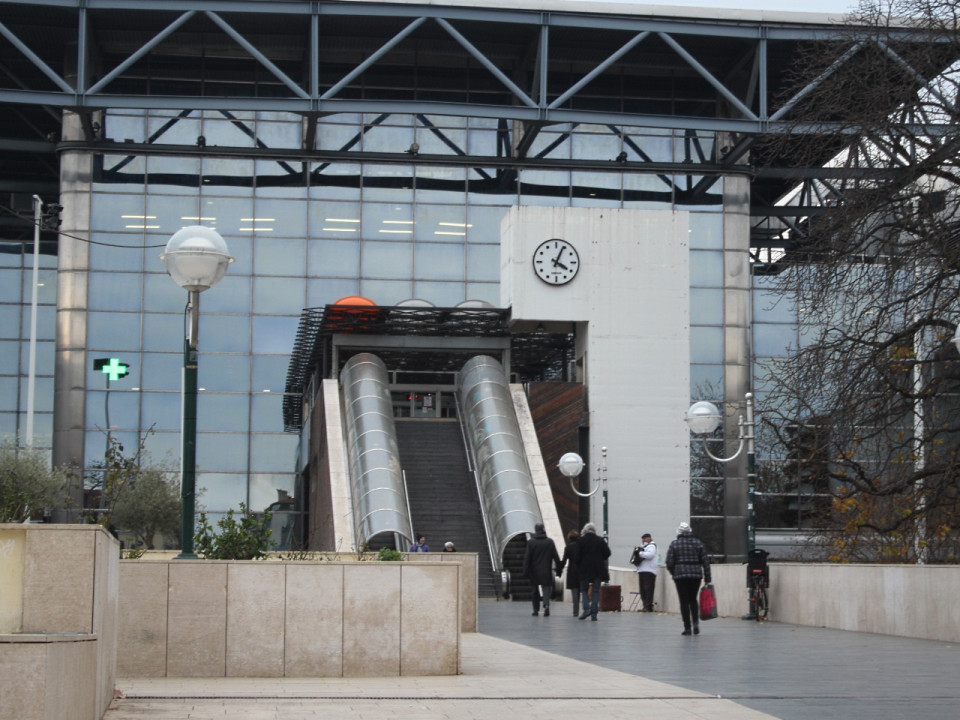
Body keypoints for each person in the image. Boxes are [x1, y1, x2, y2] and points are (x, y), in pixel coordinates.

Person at [665, 521, 711, 636]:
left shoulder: (674, 544)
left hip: (680, 576)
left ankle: (687, 627)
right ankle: (696, 623)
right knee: (693, 600)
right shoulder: (698, 543)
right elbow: (705, 561)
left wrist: (673, 572)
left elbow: (669, 562)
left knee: (684, 601)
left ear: (679, 532)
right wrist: (707, 578)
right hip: (696, 575)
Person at [522, 523, 562, 617]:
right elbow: (556, 557)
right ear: (543, 529)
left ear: (535, 530)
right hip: (546, 570)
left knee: (534, 590)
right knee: (546, 588)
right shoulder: (549, 542)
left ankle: (535, 610)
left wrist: (525, 571)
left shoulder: (531, 542)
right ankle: (546, 605)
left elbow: (527, 558)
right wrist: (559, 569)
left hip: (534, 571)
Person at [576, 522, 611, 621]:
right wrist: (600, 558)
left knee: (583, 590)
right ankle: (594, 614)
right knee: (596, 591)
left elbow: (577, 556)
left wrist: (580, 564)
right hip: (598, 569)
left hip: (584, 569)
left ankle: (586, 609)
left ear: (585, 530)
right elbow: (608, 553)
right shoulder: (600, 540)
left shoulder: (580, 541)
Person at [558, 529, 581, 617]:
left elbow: (564, 561)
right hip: (580, 570)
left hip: (571, 571)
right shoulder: (580, 546)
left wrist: (559, 570)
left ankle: (575, 610)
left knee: (574, 591)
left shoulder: (568, 548)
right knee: (579, 590)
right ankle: (579, 608)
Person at [635, 533, 658, 612]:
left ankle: (648, 606)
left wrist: (640, 554)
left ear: (649, 538)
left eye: (645, 538)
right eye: (643, 539)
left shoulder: (652, 546)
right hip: (642, 570)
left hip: (649, 571)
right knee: (643, 590)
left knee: (648, 589)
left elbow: (650, 555)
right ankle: (645, 605)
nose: (643, 540)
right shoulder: (643, 547)